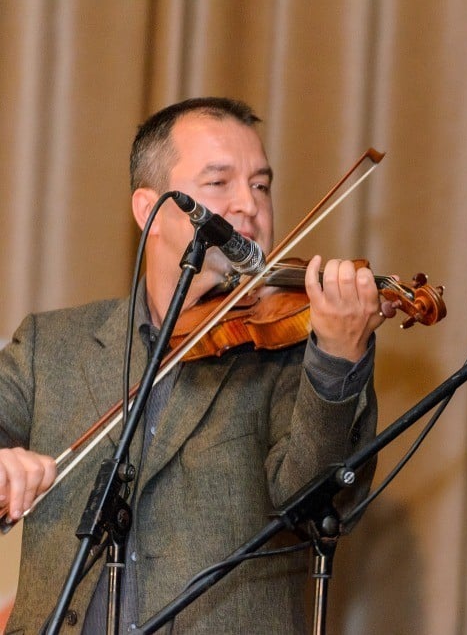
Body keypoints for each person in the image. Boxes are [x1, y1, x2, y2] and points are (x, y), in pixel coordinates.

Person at [0, 97, 395, 633]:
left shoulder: (294, 354)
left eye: (260, 185)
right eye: (218, 184)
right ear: (151, 210)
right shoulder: (52, 346)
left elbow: (318, 504)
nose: (249, 206)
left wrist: (339, 357)